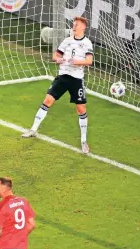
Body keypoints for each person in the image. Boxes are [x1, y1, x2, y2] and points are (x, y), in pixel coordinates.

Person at [22, 16, 94, 154]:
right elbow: (55, 56)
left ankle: (84, 141)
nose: (74, 26)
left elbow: (89, 61)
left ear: (83, 27)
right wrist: (60, 59)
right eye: (73, 24)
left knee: (81, 109)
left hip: (76, 80)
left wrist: (75, 62)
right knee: (47, 100)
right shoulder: (66, 41)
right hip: (62, 76)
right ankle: (33, 129)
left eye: (77, 24)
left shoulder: (87, 43)